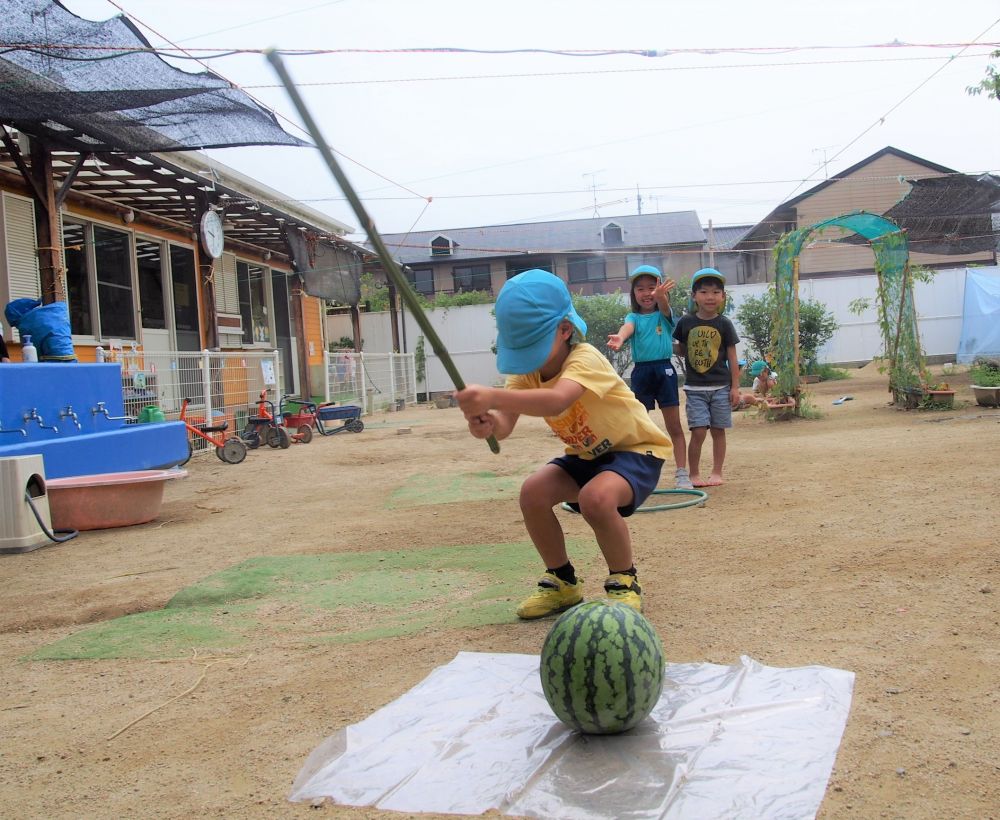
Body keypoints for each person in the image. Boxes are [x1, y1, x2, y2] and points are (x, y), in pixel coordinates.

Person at [455, 269, 672, 619]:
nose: (528, 356)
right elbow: (504, 425)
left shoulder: (584, 358)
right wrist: (487, 424)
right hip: (587, 456)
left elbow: (556, 400)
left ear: (565, 329)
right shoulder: (525, 372)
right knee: (533, 492)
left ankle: (624, 580)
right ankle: (562, 580)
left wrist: (491, 395)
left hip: (636, 451)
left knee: (595, 499)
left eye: (533, 344)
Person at [607, 265, 692, 490]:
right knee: (640, 426)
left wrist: (661, 298)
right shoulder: (633, 316)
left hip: (664, 371)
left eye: (652, 288)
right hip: (641, 373)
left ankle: (682, 474)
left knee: (674, 425)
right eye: (641, 288)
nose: (647, 293)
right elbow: (627, 327)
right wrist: (620, 337)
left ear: (661, 290)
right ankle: (638, 475)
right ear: (633, 293)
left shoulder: (664, 316)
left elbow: (664, 306)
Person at [672, 268, 740, 487]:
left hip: (721, 386)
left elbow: (732, 356)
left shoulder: (724, 323)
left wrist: (735, 388)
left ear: (723, 297)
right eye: (703, 292)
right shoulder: (685, 322)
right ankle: (693, 474)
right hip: (695, 388)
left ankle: (717, 472)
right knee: (699, 431)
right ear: (694, 296)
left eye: (715, 292)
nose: (709, 297)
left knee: (718, 430)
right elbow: (682, 349)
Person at [3, 298, 77, 362]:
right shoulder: (52, 314)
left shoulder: (26, 324)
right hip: (70, 357)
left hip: (50, 361)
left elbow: (33, 353)